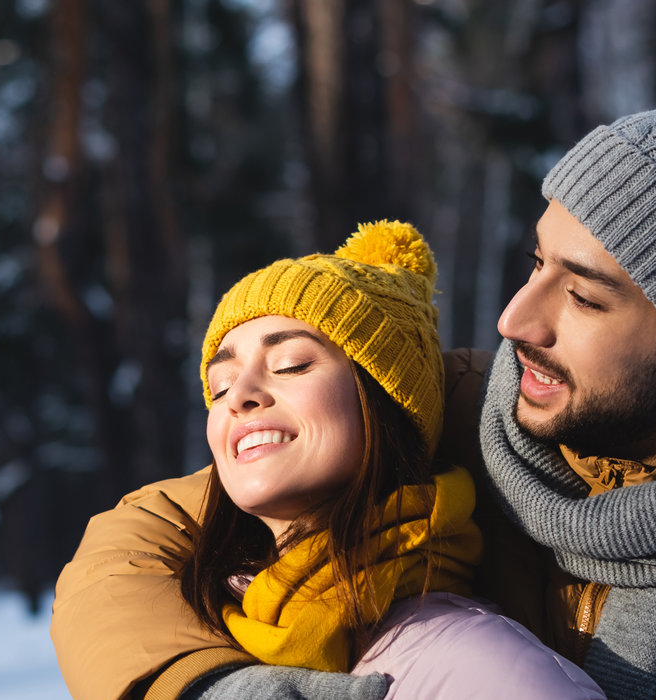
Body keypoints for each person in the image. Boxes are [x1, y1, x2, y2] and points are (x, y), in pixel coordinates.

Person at [52, 101, 656, 700]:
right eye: (534, 264)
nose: (518, 319)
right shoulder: (451, 411)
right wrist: (210, 690)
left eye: (583, 295)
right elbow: (130, 546)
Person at [163, 220, 605, 699]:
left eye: (291, 364)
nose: (239, 396)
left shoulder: (487, 672)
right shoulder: (212, 620)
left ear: (387, 403)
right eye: (219, 385)